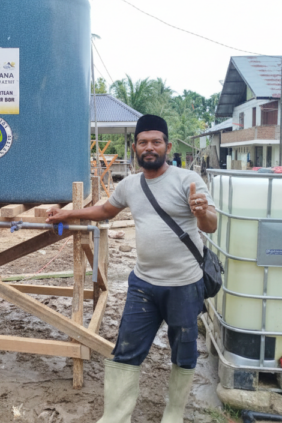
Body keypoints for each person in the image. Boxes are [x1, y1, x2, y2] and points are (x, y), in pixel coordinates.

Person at [47, 114, 217, 423]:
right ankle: (115, 417)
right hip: (144, 284)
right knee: (125, 349)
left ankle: (174, 413)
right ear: (135, 146)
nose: (149, 147)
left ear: (166, 145)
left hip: (184, 285)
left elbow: (212, 225)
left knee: (184, 352)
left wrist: (202, 213)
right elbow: (105, 210)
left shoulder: (187, 180)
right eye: (143, 142)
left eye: (156, 142)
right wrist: (68, 214)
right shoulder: (130, 185)